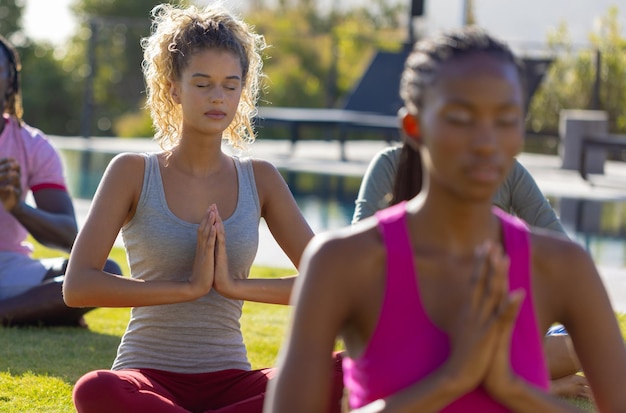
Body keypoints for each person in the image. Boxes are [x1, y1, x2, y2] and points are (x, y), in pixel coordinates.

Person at [265, 27, 626, 412]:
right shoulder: (343, 262)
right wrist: (452, 379)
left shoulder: (562, 267)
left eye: (505, 119)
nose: (486, 141)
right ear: (414, 128)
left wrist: (512, 388)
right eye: (460, 118)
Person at [62, 4, 343, 413]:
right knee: (95, 389)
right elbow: (78, 287)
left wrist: (234, 286)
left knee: (342, 367)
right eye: (203, 83)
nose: (218, 97)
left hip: (233, 380)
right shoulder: (132, 172)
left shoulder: (260, 178)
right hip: (147, 378)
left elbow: (329, 282)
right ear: (173, 88)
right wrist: (187, 288)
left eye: (231, 85)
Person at [352, 135, 590, 400]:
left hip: (493, 330)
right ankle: (530, 383)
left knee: (583, 344)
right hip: (411, 336)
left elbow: (561, 253)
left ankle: (498, 374)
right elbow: (356, 261)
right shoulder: (389, 165)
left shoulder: (508, 172)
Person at [0, 34, 121, 327]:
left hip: (7, 267)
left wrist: (18, 207)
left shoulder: (32, 145)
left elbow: (69, 235)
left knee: (105, 270)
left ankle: (17, 311)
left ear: (11, 82)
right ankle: (34, 311)